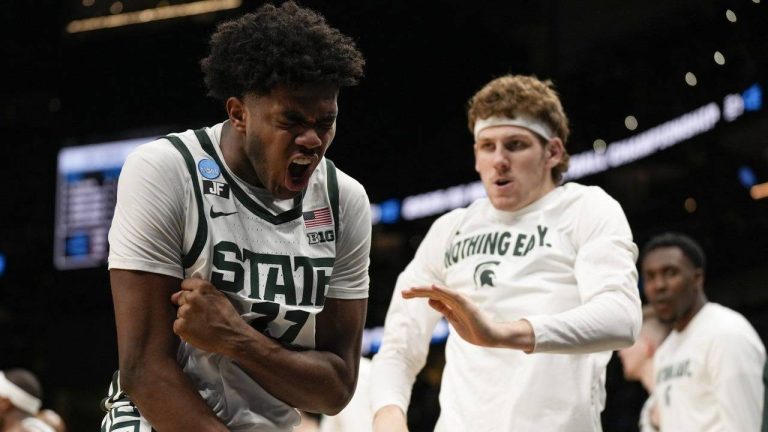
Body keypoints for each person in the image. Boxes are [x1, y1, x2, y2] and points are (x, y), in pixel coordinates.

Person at [99, 2, 371, 431]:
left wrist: (236, 339)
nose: (313, 140)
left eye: (327, 121)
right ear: (239, 114)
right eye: (292, 121)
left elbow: (335, 389)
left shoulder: (344, 200)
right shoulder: (165, 170)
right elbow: (144, 371)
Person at [369, 74, 642, 431]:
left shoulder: (585, 207)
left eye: (515, 145)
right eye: (487, 146)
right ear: (476, 156)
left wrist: (501, 334)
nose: (499, 160)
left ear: (553, 152)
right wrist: (387, 415)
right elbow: (399, 346)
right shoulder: (450, 228)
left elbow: (621, 317)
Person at [641, 232, 766, 431]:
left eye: (670, 273)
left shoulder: (726, 333)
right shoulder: (666, 351)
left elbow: (746, 426)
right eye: (650, 277)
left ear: (697, 279)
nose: (659, 286)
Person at [617, 305, 670, 432]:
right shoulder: (648, 408)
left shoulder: (677, 396)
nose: (620, 352)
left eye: (628, 343)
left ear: (647, 346)